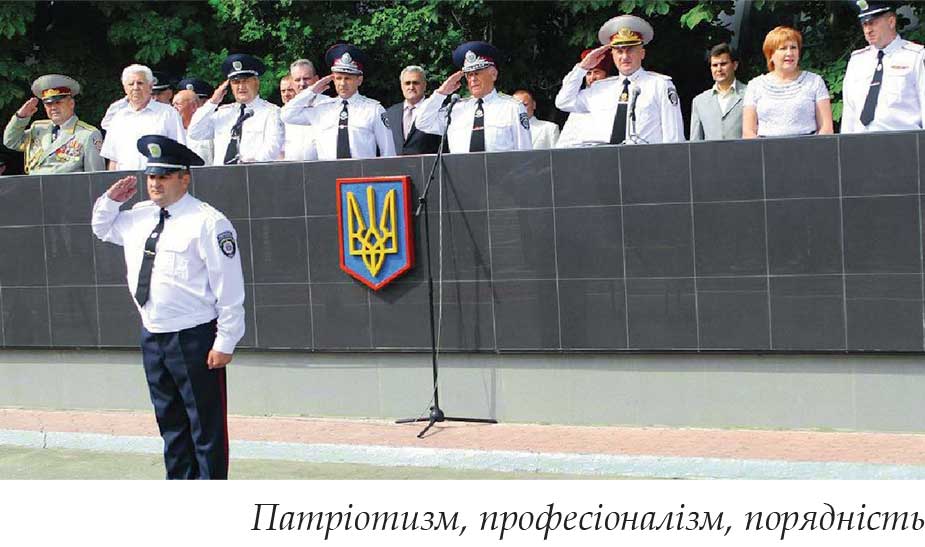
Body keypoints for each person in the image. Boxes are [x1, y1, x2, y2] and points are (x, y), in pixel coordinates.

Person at [91, 135, 245, 480]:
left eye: (163, 177)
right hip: (154, 333)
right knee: (170, 423)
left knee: (205, 426)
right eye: (151, 177)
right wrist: (110, 201)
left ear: (184, 179)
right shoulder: (139, 216)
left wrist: (226, 340)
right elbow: (102, 229)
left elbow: (229, 286)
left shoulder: (208, 222)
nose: (155, 184)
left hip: (194, 336)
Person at [555, 15, 684, 145]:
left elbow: (674, 137)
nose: (624, 57)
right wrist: (582, 68)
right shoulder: (600, 88)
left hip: (645, 156)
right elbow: (564, 102)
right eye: (619, 51)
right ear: (612, 55)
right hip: (605, 156)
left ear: (642, 53)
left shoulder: (660, 85)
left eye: (630, 50)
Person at [280, 44, 395, 159]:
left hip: (361, 170)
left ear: (359, 80)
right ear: (333, 80)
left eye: (347, 78)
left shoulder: (373, 109)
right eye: (338, 78)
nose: (342, 84)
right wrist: (312, 91)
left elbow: (388, 152)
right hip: (328, 170)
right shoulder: (322, 109)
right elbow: (286, 115)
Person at [415, 41, 532, 153]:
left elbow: (525, 153)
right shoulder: (455, 109)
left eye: (477, 73)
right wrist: (441, 93)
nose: (473, 79)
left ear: (493, 74)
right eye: (469, 75)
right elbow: (422, 122)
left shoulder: (512, 108)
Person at [842, 1, 925, 133]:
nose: (868, 30)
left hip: (904, 140)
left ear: (891, 22)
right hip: (861, 142)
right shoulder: (857, 60)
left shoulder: (916, 56)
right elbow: (849, 111)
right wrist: (845, 142)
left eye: (873, 23)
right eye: (864, 24)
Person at [188, 53, 284, 165]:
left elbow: (273, 147)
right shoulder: (223, 113)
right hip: (221, 174)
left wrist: (249, 165)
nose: (241, 87)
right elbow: (195, 132)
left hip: (253, 173)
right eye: (236, 82)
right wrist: (212, 102)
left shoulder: (271, 112)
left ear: (256, 82)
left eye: (246, 81)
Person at [3, 74, 105, 174]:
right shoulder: (38, 129)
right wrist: (20, 117)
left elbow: (95, 177)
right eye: (49, 104)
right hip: (35, 185)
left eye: (58, 103)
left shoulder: (87, 134)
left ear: (71, 104)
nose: (53, 108)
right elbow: (10, 141)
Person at [743, 26, 833, 138]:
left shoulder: (815, 82)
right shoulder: (755, 86)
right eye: (783, 48)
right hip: (766, 147)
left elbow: (826, 128)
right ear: (770, 55)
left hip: (808, 146)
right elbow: (748, 132)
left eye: (793, 47)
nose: (789, 53)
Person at [100, 64, 186, 171]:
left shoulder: (168, 113)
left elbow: (180, 152)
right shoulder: (118, 118)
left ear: (150, 86)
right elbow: (113, 160)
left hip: (158, 178)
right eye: (131, 84)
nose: (135, 87)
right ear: (125, 88)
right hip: (126, 179)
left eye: (140, 83)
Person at [555, 49, 614, 148]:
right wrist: (582, 68)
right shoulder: (580, 97)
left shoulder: (613, 93)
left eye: (596, 72)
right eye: (588, 73)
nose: (592, 77)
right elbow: (562, 102)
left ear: (606, 74)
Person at [690, 43, 747, 141]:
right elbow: (695, 142)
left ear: (735, 65)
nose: (719, 69)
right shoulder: (699, 101)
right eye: (715, 65)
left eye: (723, 64)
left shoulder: (749, 94)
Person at [385, 65, 443, 155]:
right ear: (401, 86)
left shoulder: (438, 111)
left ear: (425, 85)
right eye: (407, 83)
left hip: (428, 163)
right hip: (395, 164)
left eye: (415, 83)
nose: (411, 87)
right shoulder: (390, 113)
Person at [283, 59, 320, 161]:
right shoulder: (287, 111)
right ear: (291, 82)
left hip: (322, 167)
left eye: (306, 78)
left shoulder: (328, 106)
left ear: (316, 79)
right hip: (291, 168)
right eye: (297, 80)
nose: (302, 84)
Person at [172, 89, 213, 164]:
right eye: (173, 105)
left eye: (178, 105)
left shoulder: (208, 130)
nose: (174, 109)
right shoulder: (172, 133)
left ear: (193, 106)